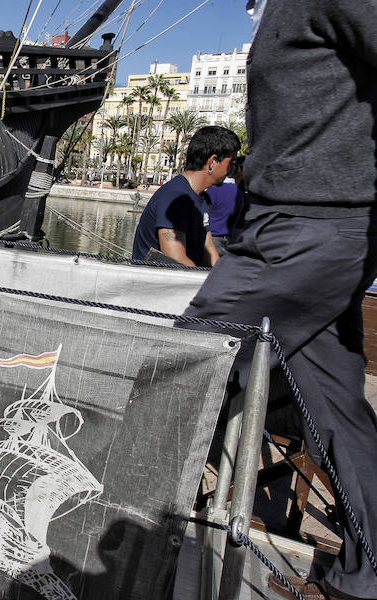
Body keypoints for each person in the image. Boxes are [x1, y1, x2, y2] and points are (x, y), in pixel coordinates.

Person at [183, 3, 377, 599]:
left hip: (301, 230)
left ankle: (109, 538)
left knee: (176, 374)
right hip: (316, 231)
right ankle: (368, 574)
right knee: (337, 410)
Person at [131, 126, 239, 266]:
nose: (233, 169)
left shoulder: (202, 198)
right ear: (213, 162)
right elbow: (176, 260)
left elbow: (210, 252)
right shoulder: (175, 199)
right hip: (157, 284)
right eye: (231, 163)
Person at [204, 156, 245, 256]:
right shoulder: (238, 192)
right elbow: (236, 217)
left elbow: (204, 214)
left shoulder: (212, 190)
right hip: (229, 238)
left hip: (211, 238)